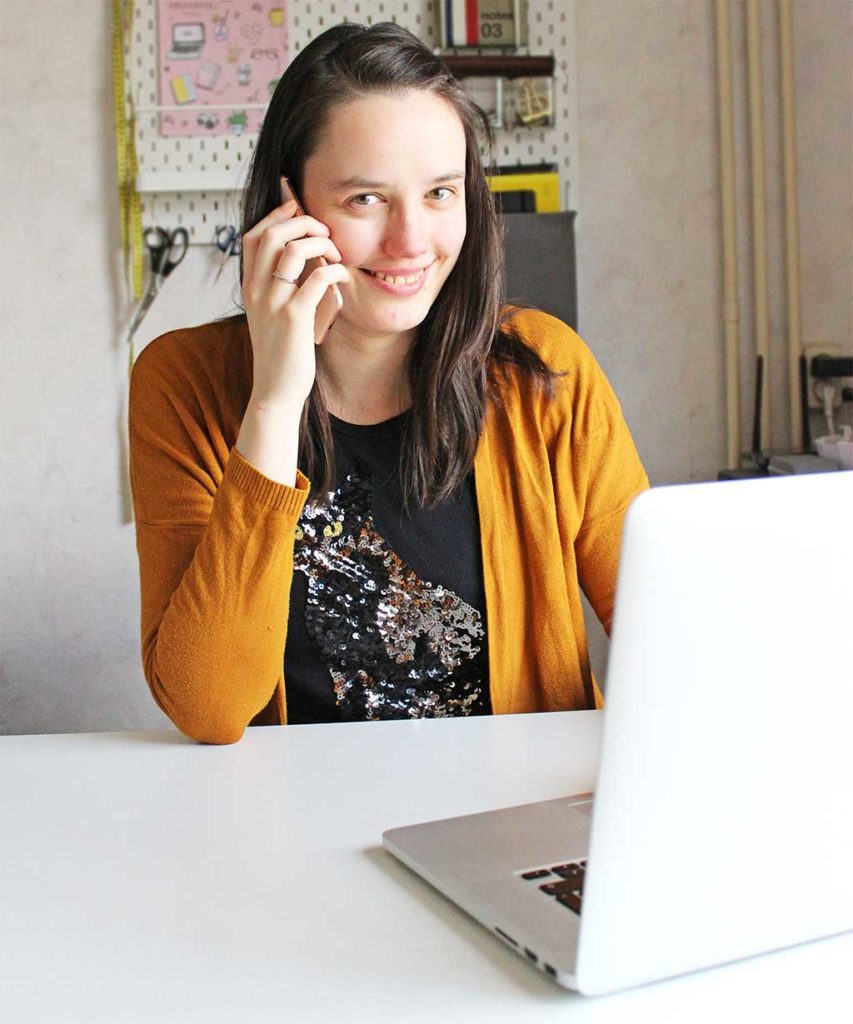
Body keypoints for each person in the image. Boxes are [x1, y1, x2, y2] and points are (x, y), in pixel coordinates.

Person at [129, 22, 648, 744]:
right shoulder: (182, 383)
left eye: (440, 192)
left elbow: (670, 636)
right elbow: (207, 705)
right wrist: (275, 400)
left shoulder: (545, 369)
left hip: (506, 823)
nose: (411, 241)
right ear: (289, 209)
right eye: (366, 199)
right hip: (288, 831)